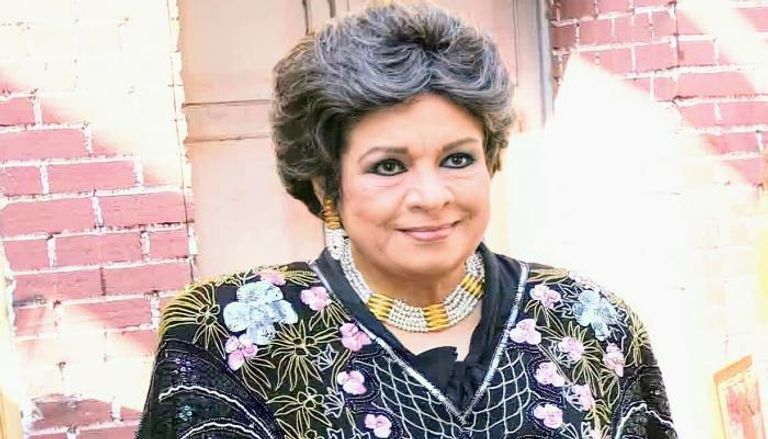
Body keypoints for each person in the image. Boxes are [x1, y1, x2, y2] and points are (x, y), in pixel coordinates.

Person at [136, 2, 677, 438]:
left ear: (491, 160)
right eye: (388, 166)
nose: (431, 196)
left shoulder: (591, 323)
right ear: (326, 184)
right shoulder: (230, 335)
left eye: (457, 159)